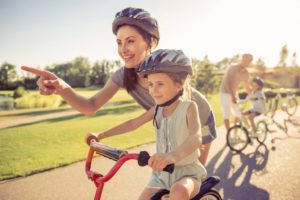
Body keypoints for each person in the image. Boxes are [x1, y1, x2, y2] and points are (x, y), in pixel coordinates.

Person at [21, 7, 216, 165]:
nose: (123, 49)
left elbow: (185, 118)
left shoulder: (166, 68)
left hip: (199, 120)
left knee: (189, 178)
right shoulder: (124, 75)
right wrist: (62, 88)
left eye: (130, 41)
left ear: (151, 42)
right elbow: (90, 106)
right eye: (119, 42)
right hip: (170, 125)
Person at [86, 49, 207, 200]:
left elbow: (196, 138)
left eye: (160, 84)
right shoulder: (156, 110)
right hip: (161, 175)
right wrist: (101, 135)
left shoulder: (189, 107)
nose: (153, 91)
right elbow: (132, 124)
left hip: (187, 173)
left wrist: (172, 156)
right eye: (150, 84)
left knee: (179, 191)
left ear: (179, 85)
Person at [219, 53, 253, 131]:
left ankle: (235, 133)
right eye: (246, 59)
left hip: (234, 93)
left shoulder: (246, 73)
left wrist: (254, 92)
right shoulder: (232, 68)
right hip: (224, 93)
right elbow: (227, 83)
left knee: (238, 113)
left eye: (249, 61)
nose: (247, 62)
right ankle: (229, 134)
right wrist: (232, 96)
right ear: (242, 59)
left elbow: (246, 86)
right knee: (226, 114)